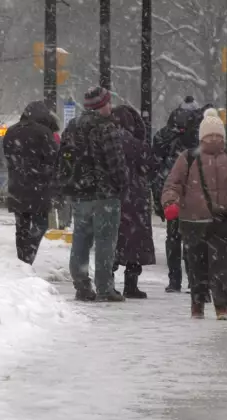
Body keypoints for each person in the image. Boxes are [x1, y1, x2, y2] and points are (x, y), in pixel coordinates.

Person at [161, 109, 227, 320]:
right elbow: (173, 183)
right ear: (202, 137)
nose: (214, 139)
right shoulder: (188, 158)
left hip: (223, 220)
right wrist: (170, 201)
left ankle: (222, 307)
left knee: (221, 265)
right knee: (196, 266)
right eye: (209, 135)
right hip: (194, 221)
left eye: (217, 135)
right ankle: (198, 303)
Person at [60, 87, 128, 302]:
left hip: (80, 194)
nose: (111, 106)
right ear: (101, 106)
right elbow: (116, 163)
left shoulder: (72, 127)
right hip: (104, 194)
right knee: (105, 241)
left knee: (81, 239)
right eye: (108, 103)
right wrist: (122, 185)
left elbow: (63, 158)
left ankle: (81, 285)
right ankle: (105, 287)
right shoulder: (106, 128)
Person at [152, 96, 202, 293]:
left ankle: (175, 280)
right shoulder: (199, 135)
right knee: (191, 238)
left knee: (173, 237)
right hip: (194, 193)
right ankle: (192, 278)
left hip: (172, 193)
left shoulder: (167, 135)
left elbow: (156, 167)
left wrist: (159, 198)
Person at [2, 100, 60, 265]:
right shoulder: (44, 132)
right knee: (41, 224)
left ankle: (22, 259)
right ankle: (28, 254)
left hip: (16, 186)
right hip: (38, 188)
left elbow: (7, 154)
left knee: (21, 227)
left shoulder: (11, 131)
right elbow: (54, 158)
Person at [111, 105, 157, 298]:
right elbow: (152, 167)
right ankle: (131, 284)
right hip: (136, 199)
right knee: (135, 243)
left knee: (112, 241)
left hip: (114, 196)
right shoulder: (139, 145)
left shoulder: (108, 141)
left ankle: (108, 281)